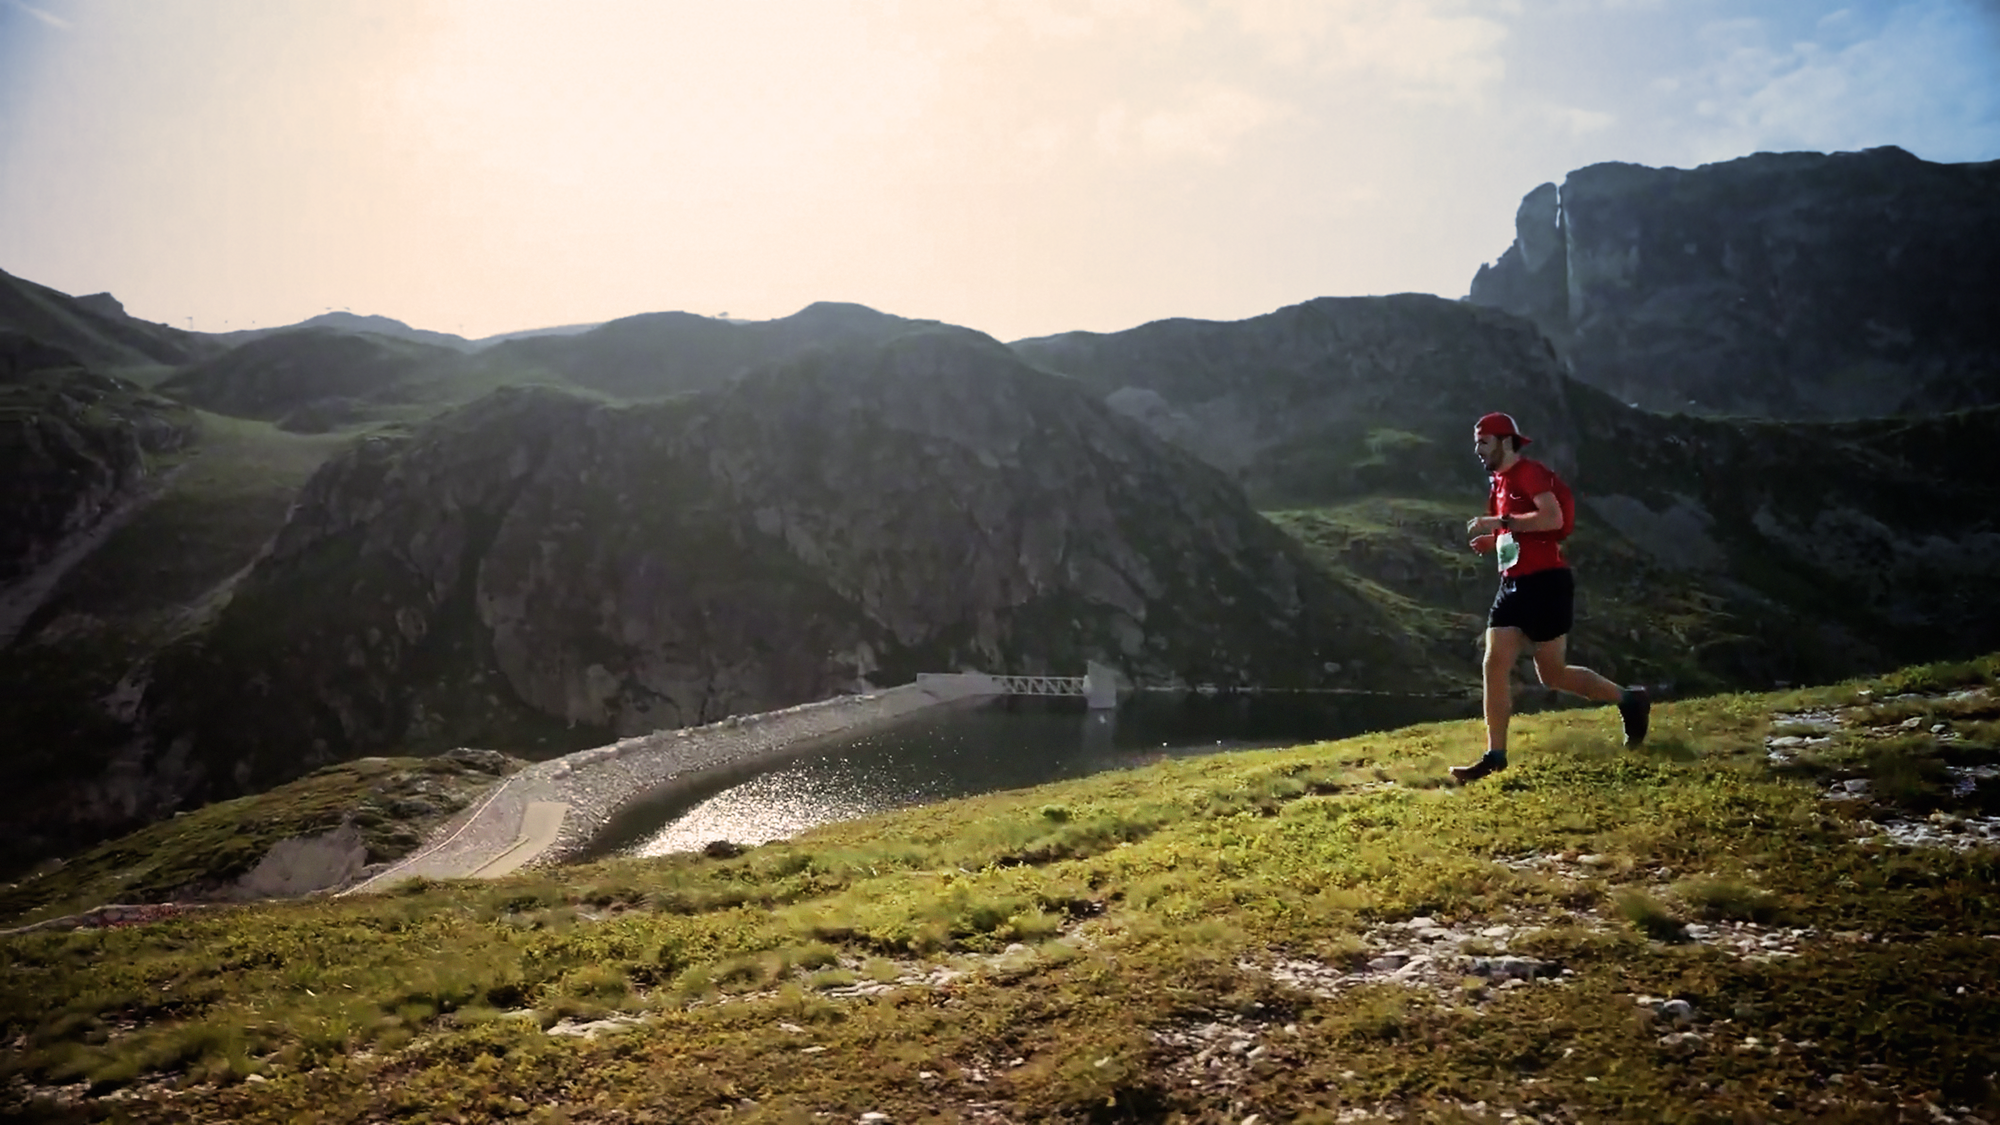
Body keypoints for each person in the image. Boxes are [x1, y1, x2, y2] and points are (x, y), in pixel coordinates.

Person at [1450, 412, 1649, 783]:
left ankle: (1630, 700)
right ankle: (1495, 756)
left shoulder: (1530, 473)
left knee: (1552, 675)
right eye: (1476, 443)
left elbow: (1552, 520)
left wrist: (1500, 523)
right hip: (1512, 583)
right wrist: (1493, 541)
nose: (1477, 451)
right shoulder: (1498, 483)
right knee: (1494, 664)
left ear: (1504, 442)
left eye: (1483, 442)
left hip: (1545, 583)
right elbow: (1519, 533)